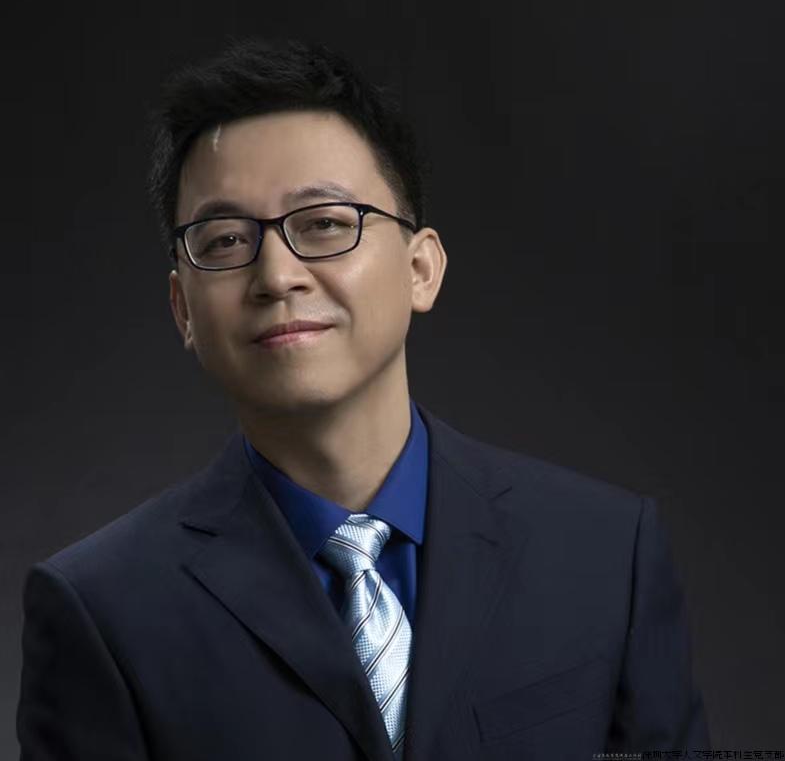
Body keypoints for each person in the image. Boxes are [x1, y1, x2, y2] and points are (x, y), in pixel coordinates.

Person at [16, 37, 710, 760]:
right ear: (183, 309)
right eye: (224, 241)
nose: (276, 275)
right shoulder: (101, 610)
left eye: (323, 224)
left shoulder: (606, 555)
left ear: (420, 269)